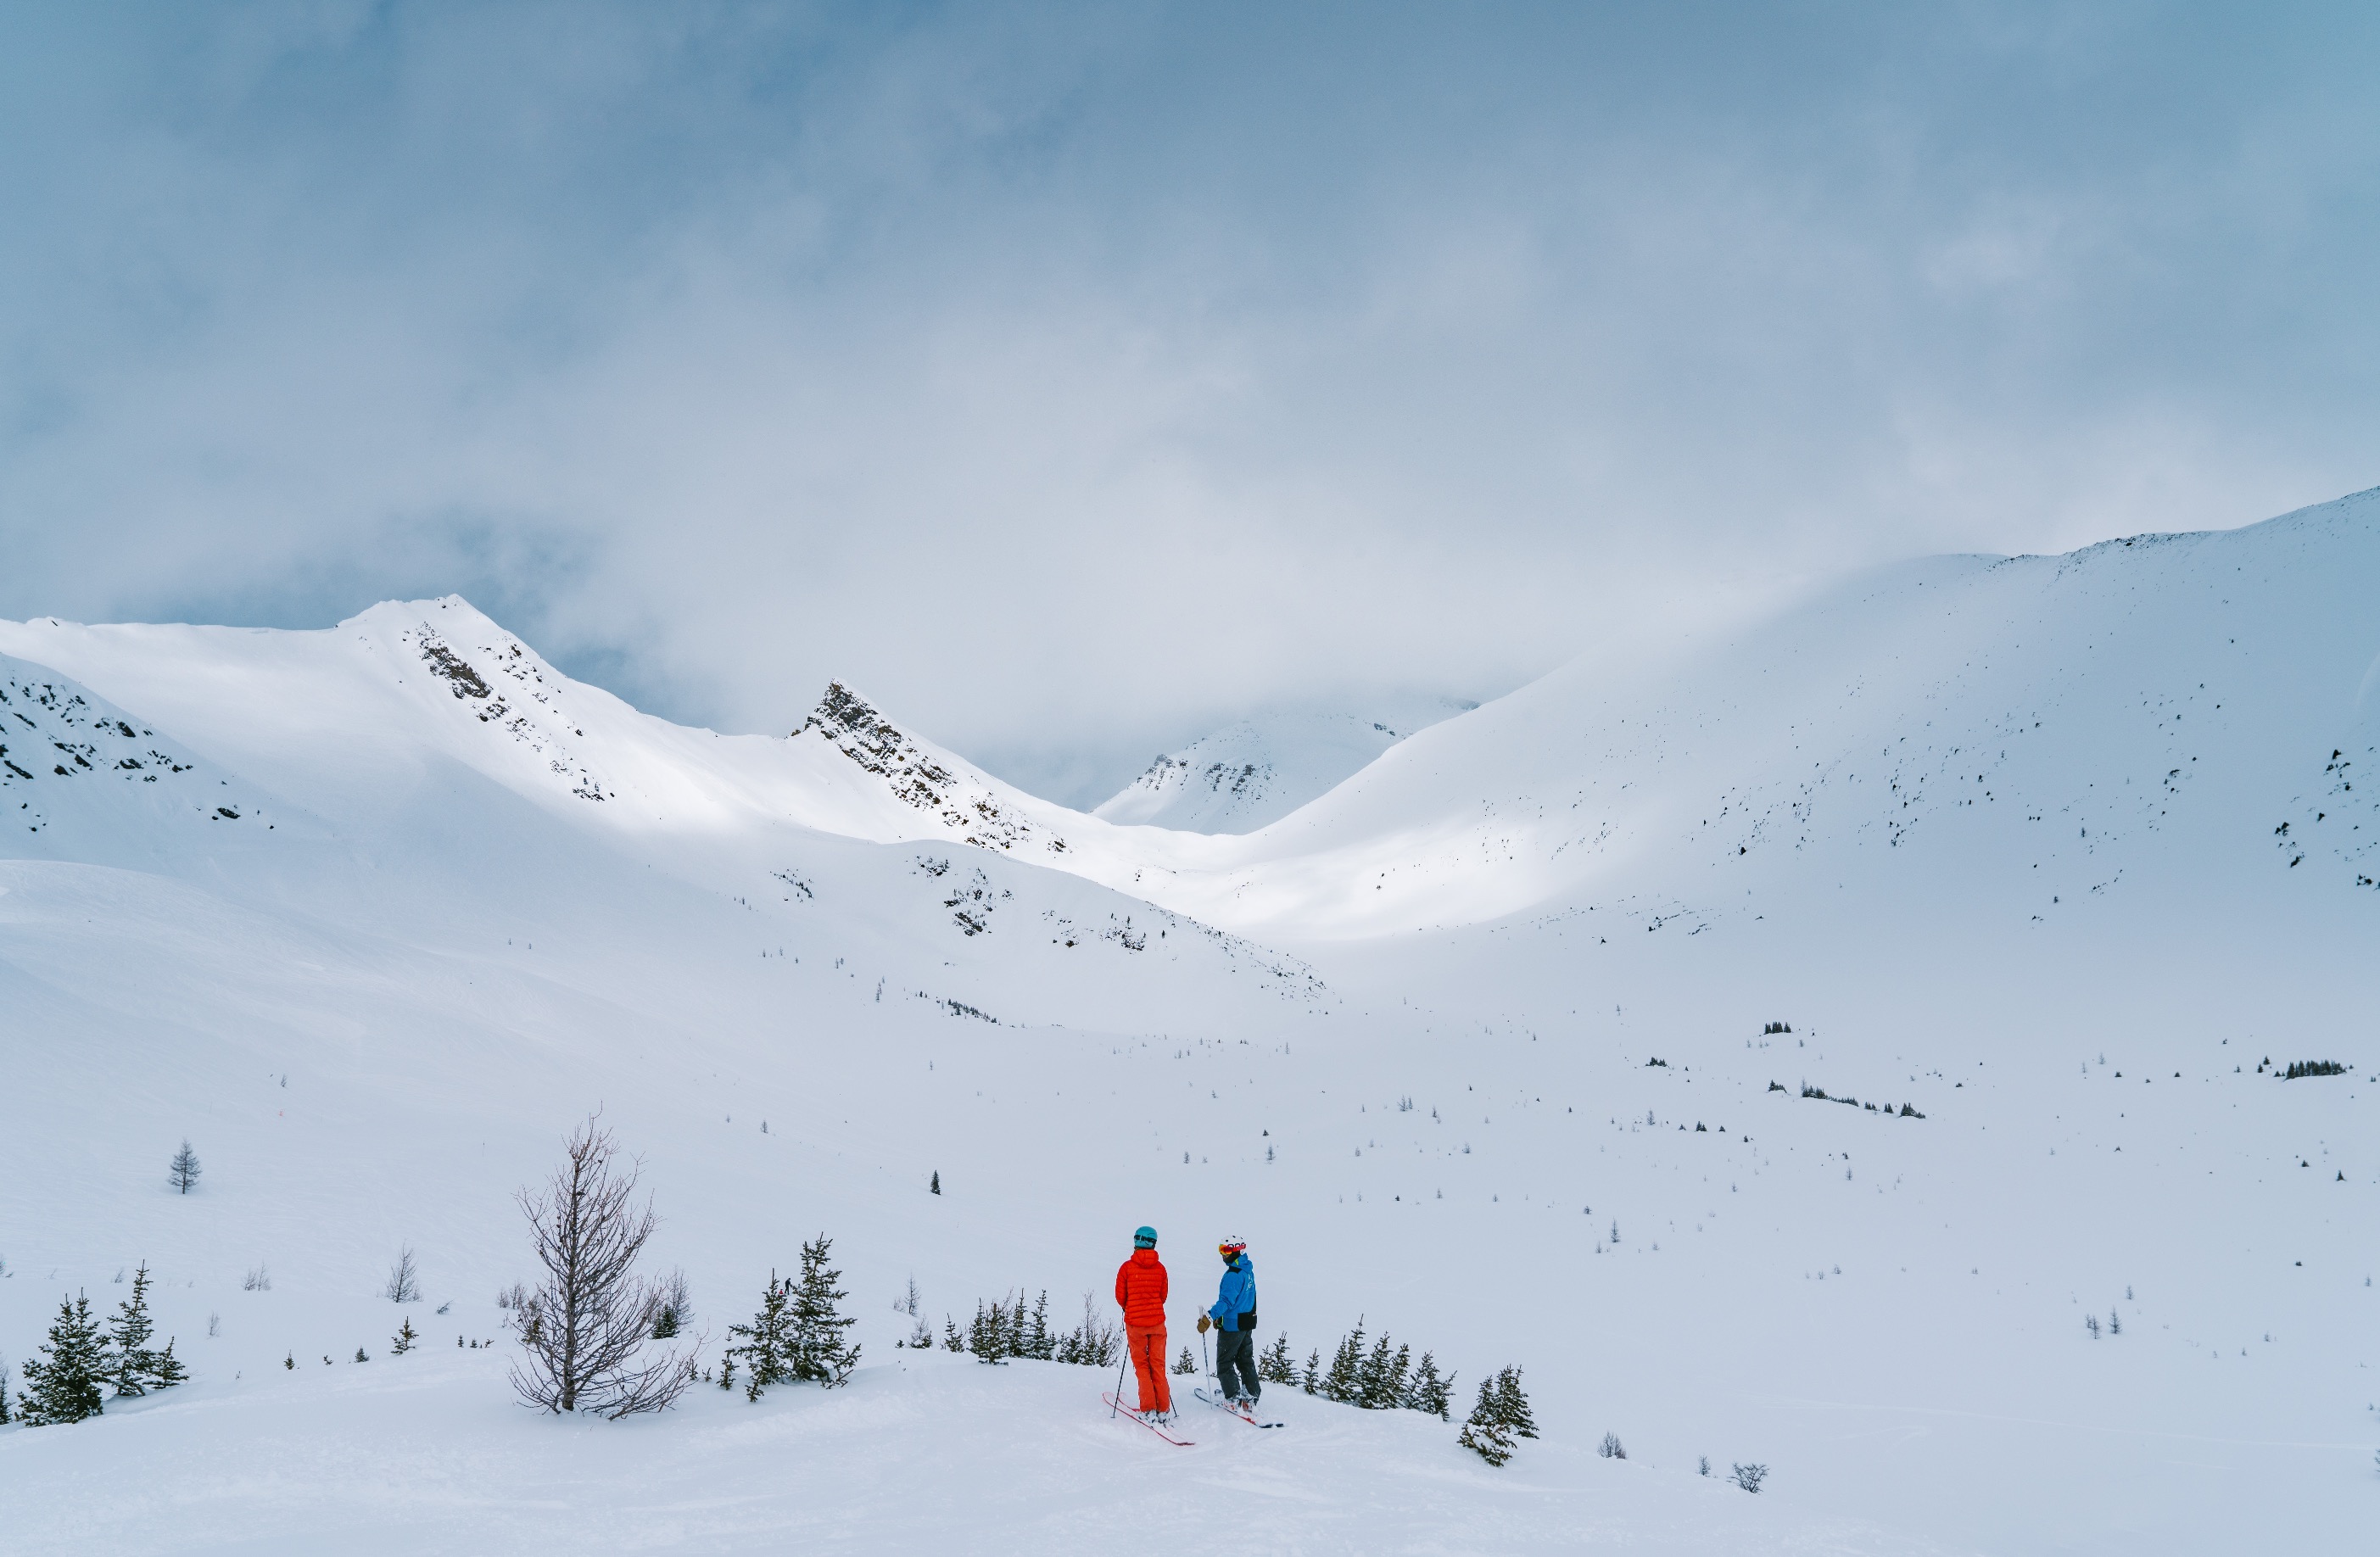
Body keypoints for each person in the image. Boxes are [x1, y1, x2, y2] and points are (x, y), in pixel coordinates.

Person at [1115, 1225, 1172, 1420]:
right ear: (1154, 1244)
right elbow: (1163, 1296)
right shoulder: (1160, 1268)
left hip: (1135, 1324)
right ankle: (1163, 1408)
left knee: (1141, 1366)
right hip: (1157, 1323)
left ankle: (1148, 1408)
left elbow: (1120, 1297)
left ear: (1136, 1242)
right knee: (1158, 1365)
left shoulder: (1127, 1268)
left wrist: (1131, 1307)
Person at [1198, 1236, 1259, 1407]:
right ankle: (1251, 1397)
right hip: (1247, 1323)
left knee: (1225, 1363)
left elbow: (1226, 1301)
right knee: (1245, 1360)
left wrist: (1209, 1316)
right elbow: (1248, 1298)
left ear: (1236, 1251)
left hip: (1233, 1326)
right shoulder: (1247, 1270)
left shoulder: (1233, 1275)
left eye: (1225, 1251)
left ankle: (1233, 1398)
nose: (1222, 1255)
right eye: (1220, 1250)